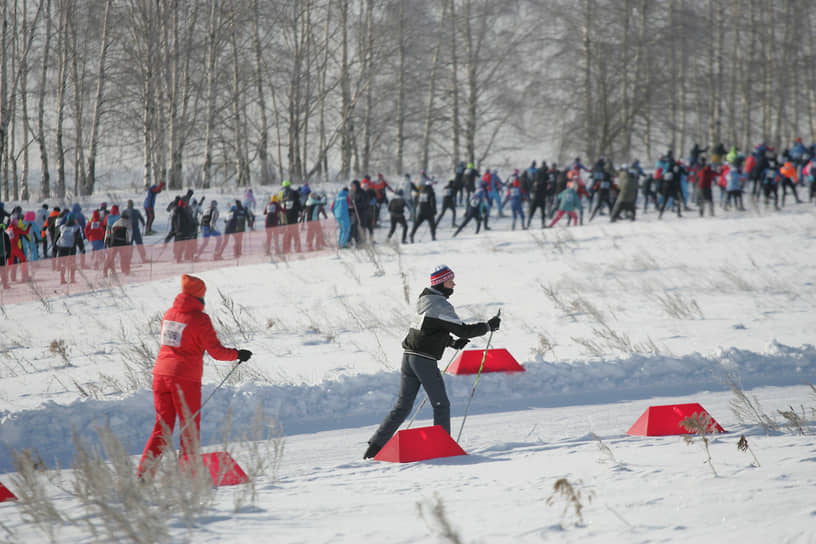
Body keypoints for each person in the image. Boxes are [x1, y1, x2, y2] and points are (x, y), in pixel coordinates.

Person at [364, 265, 500, 459]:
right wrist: (488, 326)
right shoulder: (440, 305)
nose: (453, 284)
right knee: (441, 404)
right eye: (450, 281)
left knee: (403, 406)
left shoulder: (425, 301)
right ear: (440, 282)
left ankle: (375, 446)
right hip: (423, 361)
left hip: (409, 357)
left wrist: (451, 343)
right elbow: (464, 331)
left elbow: (428, 330)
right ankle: (442, 448)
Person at [136, 275, 253, 480]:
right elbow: (216, 352)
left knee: (162, 428)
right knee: (189, 426)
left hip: (160, 376)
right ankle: (189, 476)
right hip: (184, 378)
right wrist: (237, 354)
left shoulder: (169, 314)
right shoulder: (200, 319)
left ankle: (144, 474)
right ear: (200, 297)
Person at [55, 213, 85, 284]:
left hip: (61, 246)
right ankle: (72, 279)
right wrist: (82, 249)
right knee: (72, 263)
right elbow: (79, 239)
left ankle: (62, 279)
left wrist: (55, 248)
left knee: (63, 264)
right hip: (71, 247)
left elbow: (57, 237)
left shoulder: (62, 227)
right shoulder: (76, 228)